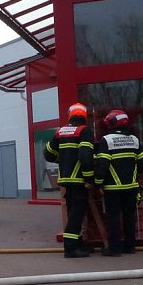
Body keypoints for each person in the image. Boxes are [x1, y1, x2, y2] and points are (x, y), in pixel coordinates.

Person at [44, 102, 96, 258]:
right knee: (77, 215)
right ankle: (71, 248)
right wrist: (89, 178)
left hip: (66, 179)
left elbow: (48, 154)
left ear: (70, 115)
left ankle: (79, 244)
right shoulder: (84, 131)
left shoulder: (60, 132)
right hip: (79, 180)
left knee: (74, 212)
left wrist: (62, 160)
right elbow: (85, 156)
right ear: (84, 116)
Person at [94, 109, 143, 256]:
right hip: (131, 187)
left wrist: (97, 183)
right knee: (129, 217)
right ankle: (130, 247)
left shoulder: (107, 140)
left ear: (111, 123)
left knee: (113, 218)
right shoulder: (134, 140)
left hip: (112, 189)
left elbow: (102, 166)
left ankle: (115, 249)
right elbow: (142, 164)